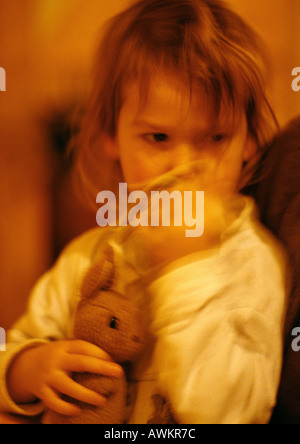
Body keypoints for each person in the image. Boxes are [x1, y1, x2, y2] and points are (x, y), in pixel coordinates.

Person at [0, 0, 289, 424]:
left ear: (248, 143)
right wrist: (25, 370)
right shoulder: (89, 257)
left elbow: (231, 411)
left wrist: (189, 267)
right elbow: (19, 344)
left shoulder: (254, 263)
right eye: (158, 137)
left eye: (215, 137)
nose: (184, 166)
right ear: (110, 137)